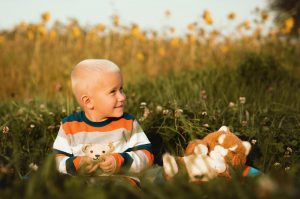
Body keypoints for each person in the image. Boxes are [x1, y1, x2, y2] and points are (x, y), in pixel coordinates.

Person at [52, 59, 154, 180]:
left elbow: (147, 156)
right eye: (113, 92)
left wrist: (119, 162)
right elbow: (56, 162)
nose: (122, 97)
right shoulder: (69, 126)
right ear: (88, 102)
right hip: (82, 187)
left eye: (121, 89)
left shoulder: (128, 123)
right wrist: (77, 164)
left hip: (121, 184)